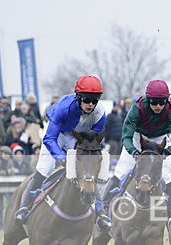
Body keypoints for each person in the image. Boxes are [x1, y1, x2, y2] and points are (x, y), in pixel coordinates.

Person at [13, 75, 110, 229]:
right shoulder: (64, 107)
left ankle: (101, 212)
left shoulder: (100, 114)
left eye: (94, 100)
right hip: (56, 136)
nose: (90, 104)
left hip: (76, 139)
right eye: (86, 99)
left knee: (87, 172)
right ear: (78, 97)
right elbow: (49, 138)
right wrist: (62, 158)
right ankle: (24, 206)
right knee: (45, 169)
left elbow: (93, 142)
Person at [101, 80, 171, 215]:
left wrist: (167, 152)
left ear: (166, 101)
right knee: (120, 172)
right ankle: (102, 211)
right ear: (148, 100)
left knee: (166, 177)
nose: (158, 106)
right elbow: (126, 137)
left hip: (160, 141)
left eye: (161, 102)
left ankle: (170, 217)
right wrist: (134, 152)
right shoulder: (137, 108)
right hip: (138, 138)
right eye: (154, 102)